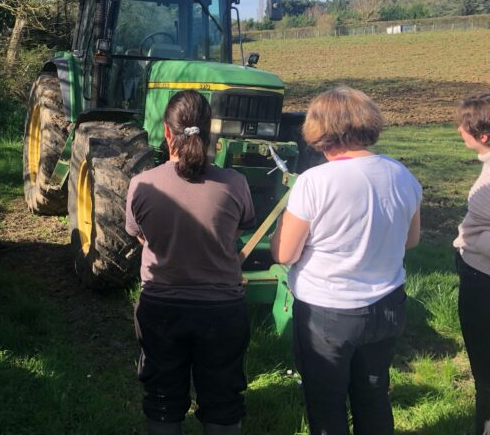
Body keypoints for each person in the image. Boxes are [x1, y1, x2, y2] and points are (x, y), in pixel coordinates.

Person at [271, 87, 422, 435]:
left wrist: (284, 224)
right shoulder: (402, 174)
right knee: (374, 398)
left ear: (320, 131)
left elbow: (284, 254)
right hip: (386, 306)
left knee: (326, 406)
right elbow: (411, 241)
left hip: (327, 314)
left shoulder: (314, 182)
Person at [126, 90, 256, 435]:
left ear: (167, 133)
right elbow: (238, 227)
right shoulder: (235, 184)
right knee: (223, 401)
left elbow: (139, 234)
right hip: (222, 311)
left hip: (161, 308)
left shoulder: (141, 185)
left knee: (163, 400)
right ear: (211, 131)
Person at [453, 93, 490, 435]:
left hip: (484, 281)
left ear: (483, 135)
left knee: (485, 370)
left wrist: (468, 238)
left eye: (463, 125)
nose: (457, 131)